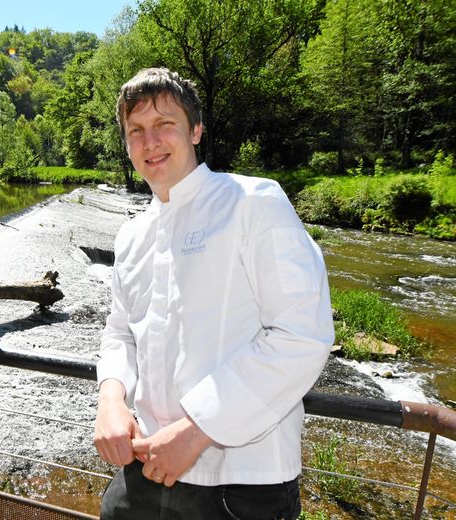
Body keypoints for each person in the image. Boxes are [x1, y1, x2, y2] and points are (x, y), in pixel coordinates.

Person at [93, 68, 334, 519]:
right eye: (136, 131)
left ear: (196, 130)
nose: (150, 142)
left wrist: (195, 430)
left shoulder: (253, 203)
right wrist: (111, 398)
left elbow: (302, 335)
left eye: (165, 124)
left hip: (241, 484)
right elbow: (121, 332)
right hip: (144, 468)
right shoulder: (132, 235)